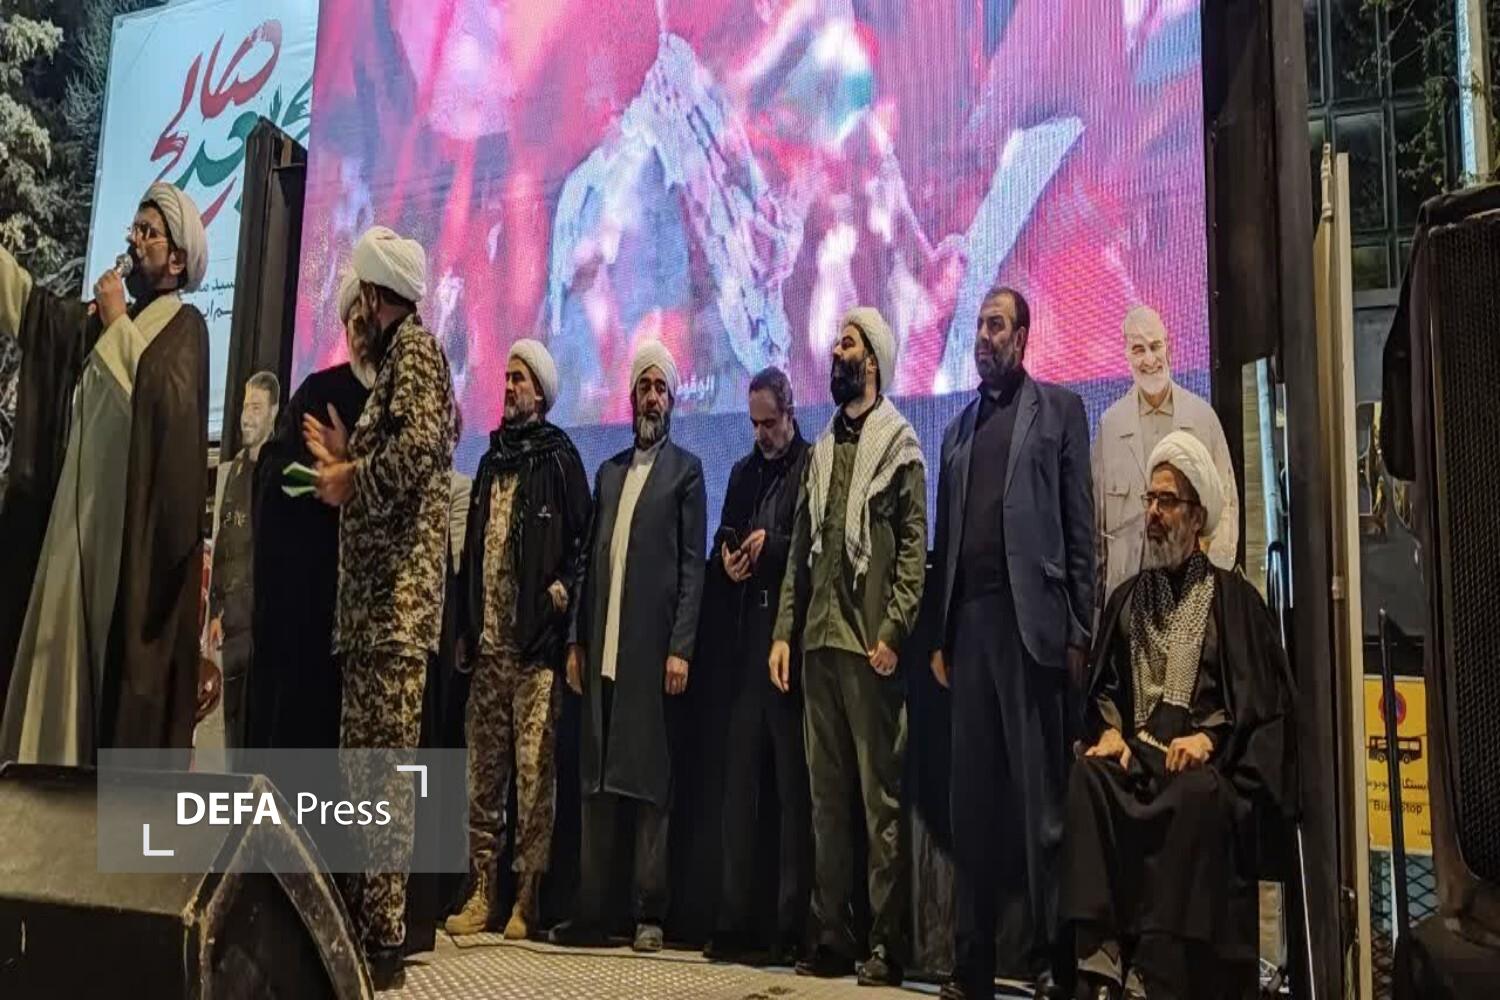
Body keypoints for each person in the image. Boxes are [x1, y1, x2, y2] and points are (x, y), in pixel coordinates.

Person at [1063, 431, 1293, 1000]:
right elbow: (1104, 692)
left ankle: (1156, 971)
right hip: (1138, 761)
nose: (1153, 514)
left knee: (1197, 796)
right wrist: (1111, 732)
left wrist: (1210, 742)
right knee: (1090, 776)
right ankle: (1101, 960)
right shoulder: (1126, 598)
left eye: (1167, 502)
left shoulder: (1233, 601)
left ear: (1197, 518)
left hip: (1203, 768)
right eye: (1150, 500)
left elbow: (1261, 709)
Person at [1, 182, 209, 763]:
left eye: (148, 232)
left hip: (126, 559)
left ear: (177, 260)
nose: (133, 241)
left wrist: (118, 324)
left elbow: (164, 411)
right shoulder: (111, 323)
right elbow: (39, 318)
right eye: (133, 228)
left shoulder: (185, 328)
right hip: (74, 543)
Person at [928, 286, 1095, 1000]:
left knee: (1041, 810)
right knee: (971, 807)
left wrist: (1080, 629)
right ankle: (972, 965)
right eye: (979, 327)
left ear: (1024, 337)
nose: (983, 337)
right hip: (969, 630)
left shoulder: (1059, 411)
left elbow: (1080, 529)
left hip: (1034, 630)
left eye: (996, 326)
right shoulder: (957, 430)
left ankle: (1052, 963)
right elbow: (946, 541)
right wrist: (939, 635)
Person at [303, 226, 456, 989]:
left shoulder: (417, 351)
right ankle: (364, 927)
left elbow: (421, 448)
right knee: (361, 775)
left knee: (384, 778)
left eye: (359, 294)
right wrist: (347, 456)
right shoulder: (396, 362)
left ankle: (384, 939)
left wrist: (350, 477)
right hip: (370, 610)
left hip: (396, 606)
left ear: (373, 293)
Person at [769, 307, 926, 987]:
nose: (836, 352)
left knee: (879, 803)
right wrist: (783, 632)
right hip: (818, 643)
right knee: (825, 801)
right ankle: (832, 932)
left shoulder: (901, 447)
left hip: (869, 649)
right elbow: (800, 552)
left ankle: (886, 944)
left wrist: (894, 630)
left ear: (874, 361)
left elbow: (914, 552)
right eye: (836, 344)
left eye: (849, 344)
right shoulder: (821, 449)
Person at [551, 340, 706, 953]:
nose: (651, 398)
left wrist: (681, 647)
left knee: (649, 786)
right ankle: (592, 911)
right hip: (602, 651)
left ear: (672, 401)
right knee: (595, 784)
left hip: (652, 654)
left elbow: (691, 568)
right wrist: (575, 641)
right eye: (643, 387)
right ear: (631, 397)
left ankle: (649, 913)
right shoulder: (609, 472)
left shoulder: (686, 472)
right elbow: (586, 563)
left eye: (660, 388)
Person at [446, 339, 590, 941]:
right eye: (505, 378)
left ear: (541, 393)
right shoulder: (489, 462)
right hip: (489, 650)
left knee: (533, 778)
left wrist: (559, 596)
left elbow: (583, 545)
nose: (508, 388)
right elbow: (471, 550)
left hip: (535, 653)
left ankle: (528, 897)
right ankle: (482, 890)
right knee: (483, 776)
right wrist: (465, 626)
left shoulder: (559, 459)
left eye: (519, 379)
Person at [706, 366, 813, 966]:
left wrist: (770, 547)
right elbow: (724, 531)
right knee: (738, 793)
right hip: (747, 645)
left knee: (794, 796)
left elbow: (811, 550)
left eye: (769, 423)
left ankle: (791, 925)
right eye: (753, 424)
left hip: (789, 643)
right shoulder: (743, 470)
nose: (761, 434)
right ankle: (732, 920)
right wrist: (727, 556)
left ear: (790, 414)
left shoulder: (811, 465)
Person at [247, 273, 372, 751]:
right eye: (355, 324)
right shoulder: (319, 394)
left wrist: (354, 468)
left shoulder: (401, 401)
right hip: (315, 608)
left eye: (370, 323)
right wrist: (321, 481)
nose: (363, 335)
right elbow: (275, 472)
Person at [1092, 306, 1238, 609]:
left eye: (1155, 346)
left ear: (1169, 347)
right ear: (1126, 354)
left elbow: (1226, 509)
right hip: (1129, 600)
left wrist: (1213, 587)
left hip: (1192, 596)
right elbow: (1095, 528)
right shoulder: (1110, 426)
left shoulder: (1203, 418)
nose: (1149, 359)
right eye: (1138, 349)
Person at [208, 370, 280, 750]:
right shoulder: (234, 471)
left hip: (261, 626)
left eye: (256, 408)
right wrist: (214, 613)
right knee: (230, 734)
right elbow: (224, 543)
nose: (246, 417)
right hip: (229, 629)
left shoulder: (281, 471)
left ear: (273, 412)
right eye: (244, 407)